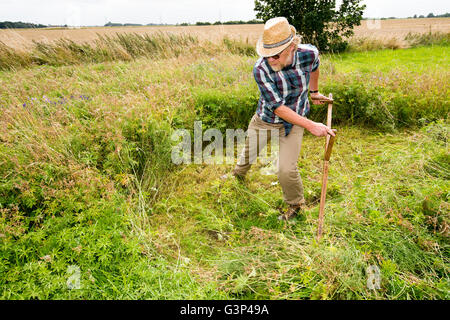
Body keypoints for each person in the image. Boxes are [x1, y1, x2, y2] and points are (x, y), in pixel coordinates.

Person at [231, 17, 335, 221]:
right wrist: (312, 125)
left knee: (286, 169)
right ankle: (237, 176)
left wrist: (314, 92)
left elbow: (314, 67)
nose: (271, 60)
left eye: (276, 56)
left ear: (292, 47)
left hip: (295, 121)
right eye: (267, 55)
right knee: (249, 152)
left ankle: (295, 206)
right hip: (266, 119)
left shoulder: (309, 53)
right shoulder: (260, 69)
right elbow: (277, 107)